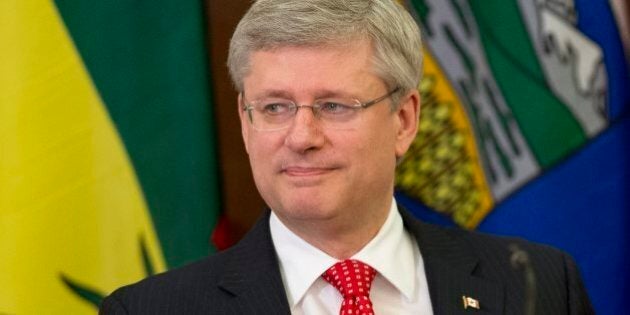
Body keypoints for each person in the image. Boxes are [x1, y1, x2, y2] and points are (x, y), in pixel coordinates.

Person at [100, 0, 594, 314]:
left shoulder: (539, 287)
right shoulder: (151, 310)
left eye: (334, 106)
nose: (302, 136)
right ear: (245, 121)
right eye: (274, 107)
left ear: (403, 120)